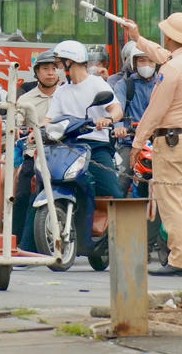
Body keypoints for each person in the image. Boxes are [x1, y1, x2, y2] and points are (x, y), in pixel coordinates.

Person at [125, 13, 182, 276]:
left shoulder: (171, 68)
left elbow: (155, 110)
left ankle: (180, 260)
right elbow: (163, 54)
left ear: (171, 36)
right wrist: (138, 39)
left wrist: (138, 142)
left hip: (172, 141)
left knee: (171, 202)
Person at [44, 39, 124, 254]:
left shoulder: (97, 84)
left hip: (96, 146)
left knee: (115, 194)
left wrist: (108, 119)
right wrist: (37, 131)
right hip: (69, 146)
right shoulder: (62, 91)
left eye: (60, 63)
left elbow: (116, 109)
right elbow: (49, 119)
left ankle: (117, 244)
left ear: (71, 62)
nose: (58, 68)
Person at [14, 50, 60, 249]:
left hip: (64, 154)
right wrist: (17, 129)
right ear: (37, 73)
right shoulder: (26, 99)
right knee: (23, 193)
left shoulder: (66, 93)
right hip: (35, 154)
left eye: (54, 68)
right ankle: (16, 242)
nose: (50, 73)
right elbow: (15, 122)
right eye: (45, 69)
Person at [109, 41, 158, 196]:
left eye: (150, 60)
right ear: (134, 62)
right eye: (142, 60)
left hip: (160, 143)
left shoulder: (164, 83)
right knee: (119, 185)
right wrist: (119, 126)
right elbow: (118, 109)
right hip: (130, 142)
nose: (147, 64)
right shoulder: (124, 85)